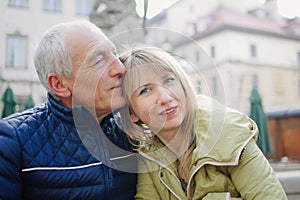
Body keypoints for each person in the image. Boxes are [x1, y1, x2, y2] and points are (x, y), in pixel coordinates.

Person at [118, 46, 287, 200]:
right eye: (145, 90)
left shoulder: (228, 134)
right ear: (131, 113)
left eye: (169, 80)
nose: (165, 97)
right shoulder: (149, 156)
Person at [0, 20, 137, 199]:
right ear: (59, 84)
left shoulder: (136, 128)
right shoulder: (12, 142)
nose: (120, 67)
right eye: (99, 60)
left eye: (114, 54)